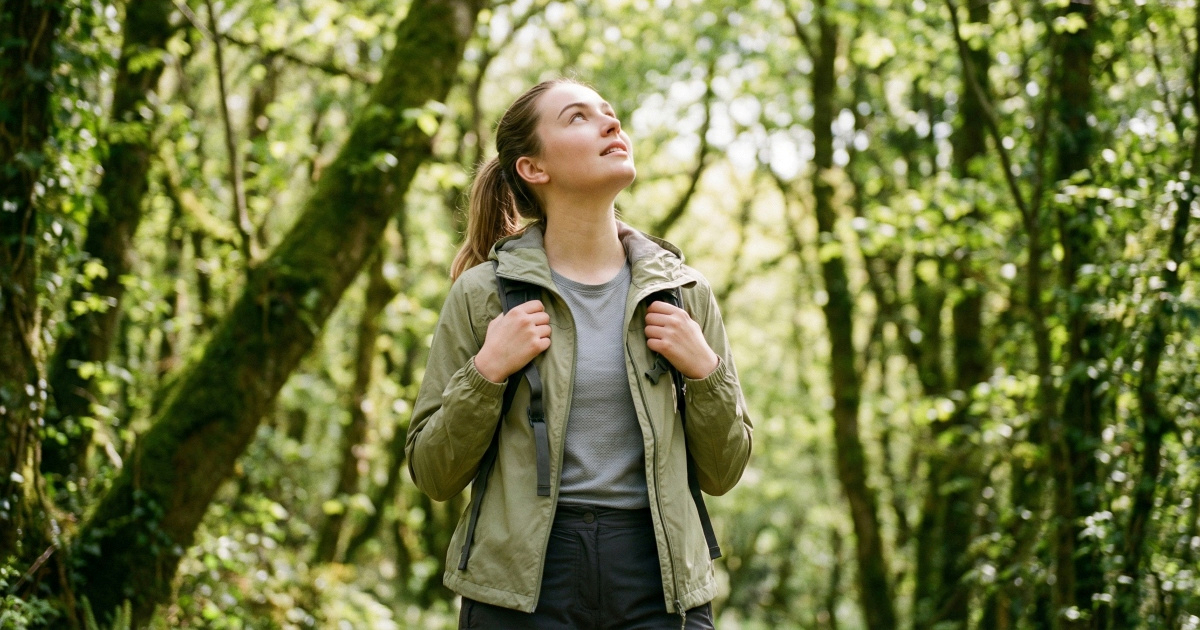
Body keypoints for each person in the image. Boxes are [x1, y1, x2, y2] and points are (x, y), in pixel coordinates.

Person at [405, 78, 752, 629]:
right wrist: (486, 372)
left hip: (661, 581)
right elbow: (433, 473)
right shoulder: (481, 295)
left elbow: (724, 471)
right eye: (578, 118)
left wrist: (705, 372)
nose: (612, 125)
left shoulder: (685, 293)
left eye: (610, 114)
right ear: (533, 168)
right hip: (521, 586)